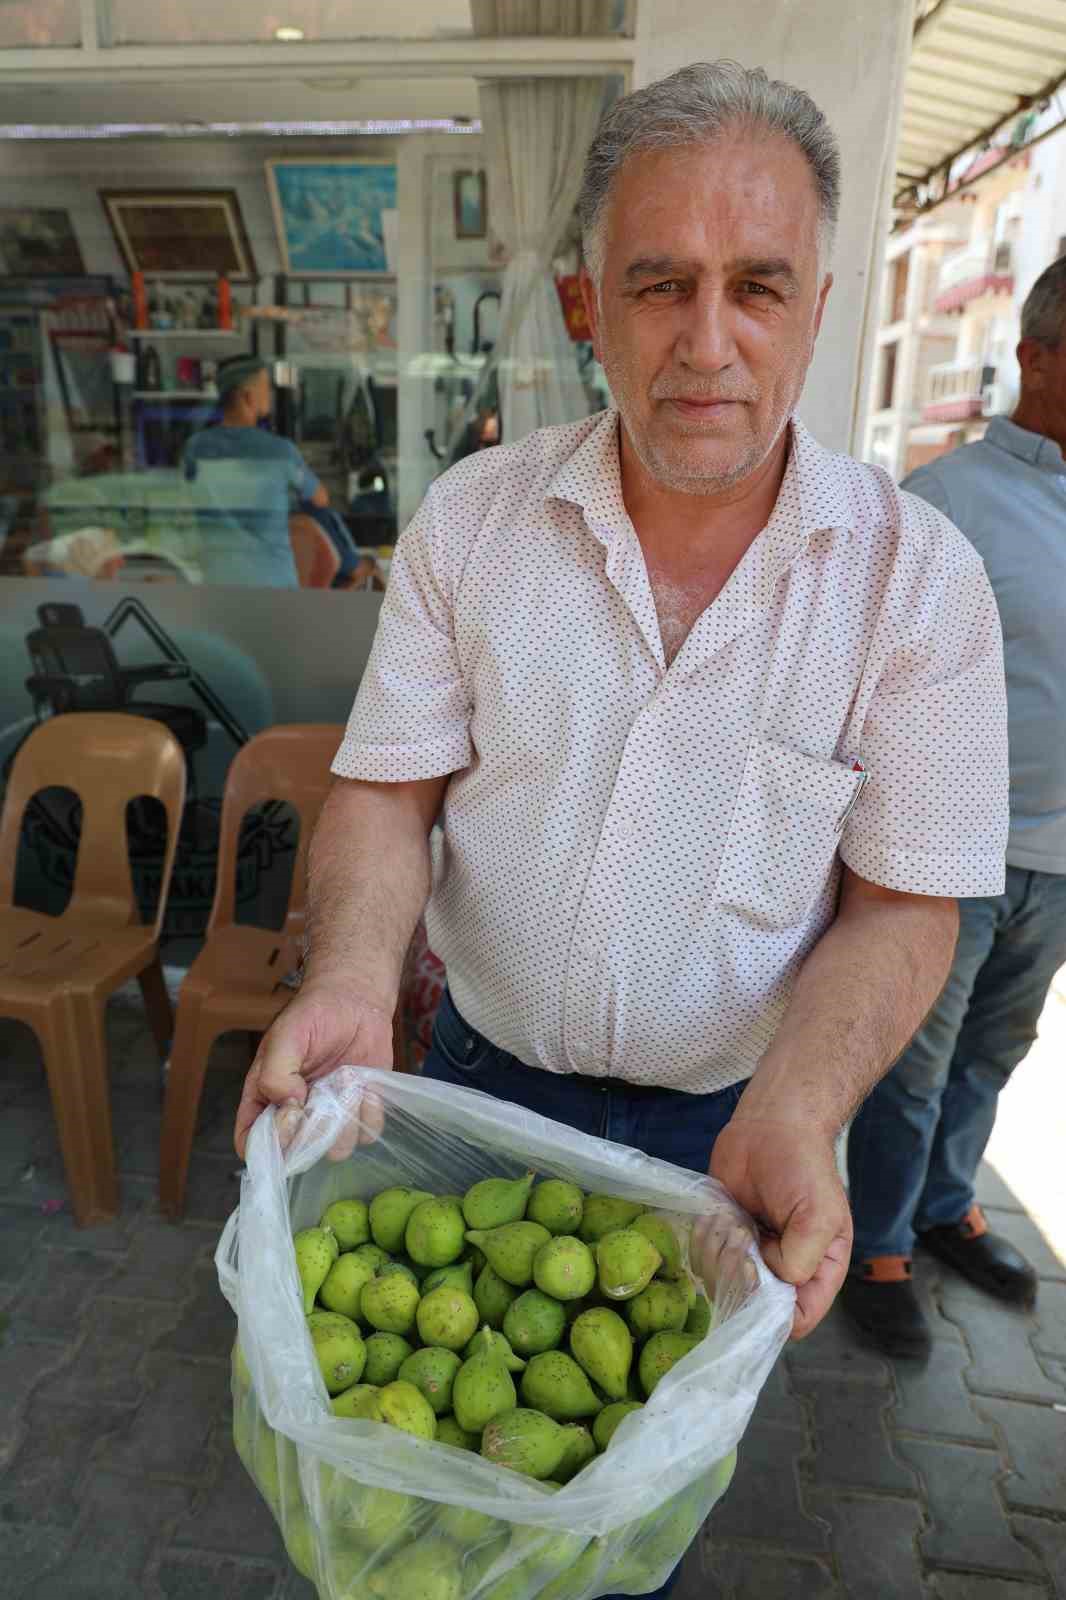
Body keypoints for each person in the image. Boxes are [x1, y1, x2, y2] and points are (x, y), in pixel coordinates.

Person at [235, 62, 1009, 1590]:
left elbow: (905, 907)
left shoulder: (915, 589)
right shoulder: (470, 522)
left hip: (718, 1140)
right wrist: (344, 982)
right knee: (420, 1517)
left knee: (605, 1538)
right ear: (588, 302)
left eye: (755, 287)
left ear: (819, 303)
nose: (706, 343)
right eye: (659, 285)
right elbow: (386, 793)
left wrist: (798, 1111)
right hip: (463, 1097)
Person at [841, 257, 1066, 1360]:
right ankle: (875, 1241)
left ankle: (944, 1204)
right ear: (1034, 356)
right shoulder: (946, 505)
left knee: (997, 1050)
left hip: (1062, 861)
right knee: (912, 1058)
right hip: (954, 850)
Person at [182, 355, 334, 586]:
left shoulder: (195, 447)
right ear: (247, 396)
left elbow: (187, 499)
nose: (270, 395)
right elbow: (320, 498)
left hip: (217, 581)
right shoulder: (280, 450)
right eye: (266, 388)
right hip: (272, 584)